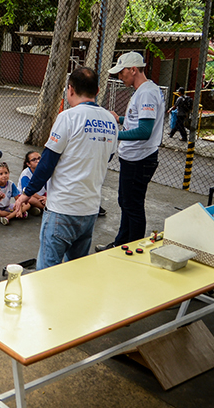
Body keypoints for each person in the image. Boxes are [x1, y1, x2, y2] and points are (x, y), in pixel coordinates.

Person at [13, 67, 118, 270]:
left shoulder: (67, 117)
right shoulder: (111, 121)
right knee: (75, 271)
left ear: (70, 89)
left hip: (63, 209)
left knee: (47, 271)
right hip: (89, 210)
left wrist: (27, 193)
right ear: (97, 90)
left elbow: (47, 163)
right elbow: (107, 156)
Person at [99, 52, 166, 250]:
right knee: (126, 201)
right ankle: (122, 243)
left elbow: (145, 131)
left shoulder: (146, 93)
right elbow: (139, 122)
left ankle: (132, 248)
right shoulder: (144, 90)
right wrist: (118, 118)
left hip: (140, 158)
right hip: (135, 158)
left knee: (132, 205)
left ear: (133, 70)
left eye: (122, 73)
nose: (120, 77)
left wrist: (114, 135)